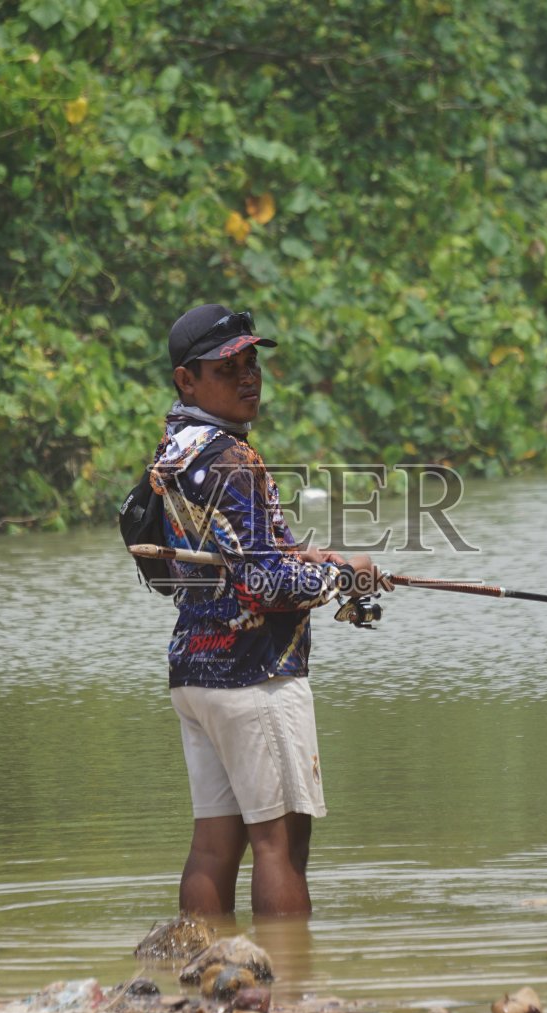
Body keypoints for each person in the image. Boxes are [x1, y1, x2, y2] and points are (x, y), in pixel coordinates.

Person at [147, 303, 389, 917]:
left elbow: (240, 556)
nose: (249, 378)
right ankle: (285, 993)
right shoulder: (233, 460)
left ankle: (205, 973)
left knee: (213, 846)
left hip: (196, 672)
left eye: (253, 364)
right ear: (187, 379)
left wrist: (314, 556)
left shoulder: (176, 451)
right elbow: (264, 583)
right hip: (255, 674)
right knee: (280, 846)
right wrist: (342, 574)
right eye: (229, 368)